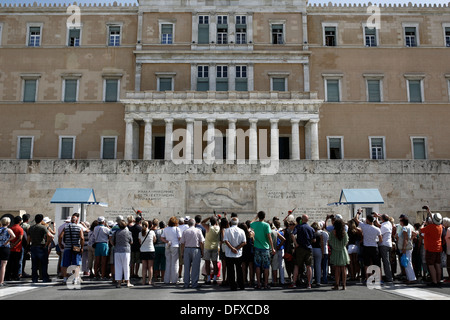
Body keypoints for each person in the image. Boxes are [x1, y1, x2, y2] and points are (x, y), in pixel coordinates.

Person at [354, 209, 382, 281]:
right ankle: (378, 278)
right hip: (374, 246)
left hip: (366, 247)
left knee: (366, 263)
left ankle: (367, 278)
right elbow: (380, 239)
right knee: (376, 263)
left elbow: (355, 219)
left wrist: (359, 212)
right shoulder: (377, 229)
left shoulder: (364, 226)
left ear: (368, 220)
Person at [250, 211, 275, 290]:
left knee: (257, 266)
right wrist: (272, 247)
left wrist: (256, 217)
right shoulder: (266, 225)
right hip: (265, 248)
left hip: (257, 247)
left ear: (258, 216)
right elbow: (269, 237)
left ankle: (258, 284)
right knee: (266, 266)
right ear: (264, 217)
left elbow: (251, 222)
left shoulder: (254, 224)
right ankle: (266, 283)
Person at [58, 212, 85, 285]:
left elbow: (60, 236)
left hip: (67, 247)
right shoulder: (79, 227)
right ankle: (75, 278)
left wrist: (60, 244)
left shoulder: (66, 227)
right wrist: (81, 247)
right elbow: (82, 238)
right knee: (76, 263)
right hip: (76, 247)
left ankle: (65, 278)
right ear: (76, 221)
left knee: (65, 264)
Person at [420, 206, 443, 287]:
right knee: (437, 264)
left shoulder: (430, 227)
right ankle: (438, 280)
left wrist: (423, 224)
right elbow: (434, 220)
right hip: (438, 248)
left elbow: (421, 229)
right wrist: (429, 211)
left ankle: (434, 281)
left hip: (430, 248)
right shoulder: (440, 226)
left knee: (431, 265)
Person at [291, 214, 315, 289]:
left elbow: (292, 234)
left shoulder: (298, 227)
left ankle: (294, 282)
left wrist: (296, 243)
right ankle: (309, 283)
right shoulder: (311, 228)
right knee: (309, 266)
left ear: (302, 219)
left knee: (297, 265)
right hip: (308, 248)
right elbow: (314, 240)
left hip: (300, 248)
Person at [180, 218, 205, 289]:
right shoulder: (198, 231)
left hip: (187, 249)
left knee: (187, 267)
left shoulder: (185, 231)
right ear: (194, 224)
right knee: (195, 267)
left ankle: (186, 283)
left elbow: (182, 243)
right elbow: (201, 242)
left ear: (188, 224)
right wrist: (202, 251)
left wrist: (182, 252)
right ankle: (194, 283)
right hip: (196, 249)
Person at [28, 214, 53, 283]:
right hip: (41, 246)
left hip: (33, 246)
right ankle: (45, 278)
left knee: (34, 264)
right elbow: (49, 236)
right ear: (41, 220)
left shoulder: (31, 227)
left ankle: (34, 278)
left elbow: (28, 238)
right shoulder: (43, 227)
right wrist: (47, 243)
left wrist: (28, 245)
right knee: (43, 263)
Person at [223, 217, 246, 291]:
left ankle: (233, 286)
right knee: (239, 269)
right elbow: (244, 242)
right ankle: (241, 285)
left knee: (230, 270)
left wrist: (232, 248)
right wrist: (237, 248)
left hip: (229, 253)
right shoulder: (241, 231)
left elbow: (226, 241)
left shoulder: (227, 230)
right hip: (238, 253)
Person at [329, 218, 350, 290]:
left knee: (337, 268)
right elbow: (346, 241)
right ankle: (344, 285)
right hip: (342, 251)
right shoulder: (344, 233)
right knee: (343, 268)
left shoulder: (332, 232)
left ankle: (337, 284)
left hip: (335, 251)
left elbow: (330, 242)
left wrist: (335, 246)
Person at [111, 218, 133, 288]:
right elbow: (131, 241)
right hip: (126, 250)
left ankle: (119, 283)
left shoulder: (116, 233)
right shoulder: (128, 232)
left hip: (117, 250)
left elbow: (112, 241)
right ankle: (127, 282)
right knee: (126, 266)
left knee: (118, 267)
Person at [161, 216, 181, 284]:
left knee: (168, 263)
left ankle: (166, 280)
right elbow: (180, 237)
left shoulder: (165, 229)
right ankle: (174, 280)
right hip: (175, 245)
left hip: (168, 245)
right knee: (175, 263)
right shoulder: (177, 229)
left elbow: (162, 238)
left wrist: (167, 241)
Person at [396, 216, 416, 284]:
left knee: (407, 263)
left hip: (406, 248)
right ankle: (410, 278)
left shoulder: (404, 228)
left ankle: (411, 278)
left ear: (402, 222)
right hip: (409, 247)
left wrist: (404, 248)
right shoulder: (409, 227)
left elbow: (405, 238)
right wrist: (411, 239)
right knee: (408, 262)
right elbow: (414, 234)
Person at [201, 215, 220, 285]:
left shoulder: (208, 227)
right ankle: (214, 278)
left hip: (207, 247)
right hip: (215, 247)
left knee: (207, 263)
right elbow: (217, 223)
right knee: (215, 264)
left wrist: (209, 217)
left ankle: (208, 278)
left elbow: (202, 222)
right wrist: (216, 219)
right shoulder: (218, 228)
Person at [375, 213, 394, 283]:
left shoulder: (384, 226)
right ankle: (389, 275)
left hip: (384, 245)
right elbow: (379, 224)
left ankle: (389, 277)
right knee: (387, 261)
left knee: (386, 262)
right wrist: (377, 217)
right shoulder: (388, 223)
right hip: (389, 244)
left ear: (382, 219)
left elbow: (380, 235)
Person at [139, 220, 156, 286]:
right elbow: (154, 240)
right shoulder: (152, 232)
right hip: (150, 250)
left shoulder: (140, 233)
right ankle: (149, 281)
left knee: (144, 267)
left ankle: (143, 281)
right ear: (148, 225)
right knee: (150, 267)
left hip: (143, 250)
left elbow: (140, 242)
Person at [0, 217, 16, 287]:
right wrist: (8, 241)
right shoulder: (8, 230)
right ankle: (1, 281)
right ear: (8, 223)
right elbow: (13, 236)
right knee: (3, 264)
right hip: (5, 248)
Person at [6, 216, 23, 281]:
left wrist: (11, 244)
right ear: (19, 221)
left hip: (10, 248)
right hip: (17, 248)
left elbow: (8, 237)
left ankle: (8, 275)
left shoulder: (10, 228)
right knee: (16, 263)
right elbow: (20, 238)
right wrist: (15, 244)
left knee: (10, 263)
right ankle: (15, 275)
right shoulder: (20, 229)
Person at [239, 222, 254, 287]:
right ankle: (251, 281)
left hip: (243, 251)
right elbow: (253, 241)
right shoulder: (251, 233)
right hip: (250, 250)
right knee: (251, 267)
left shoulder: (241, 234)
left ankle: (244, 280)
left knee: (244, 267)